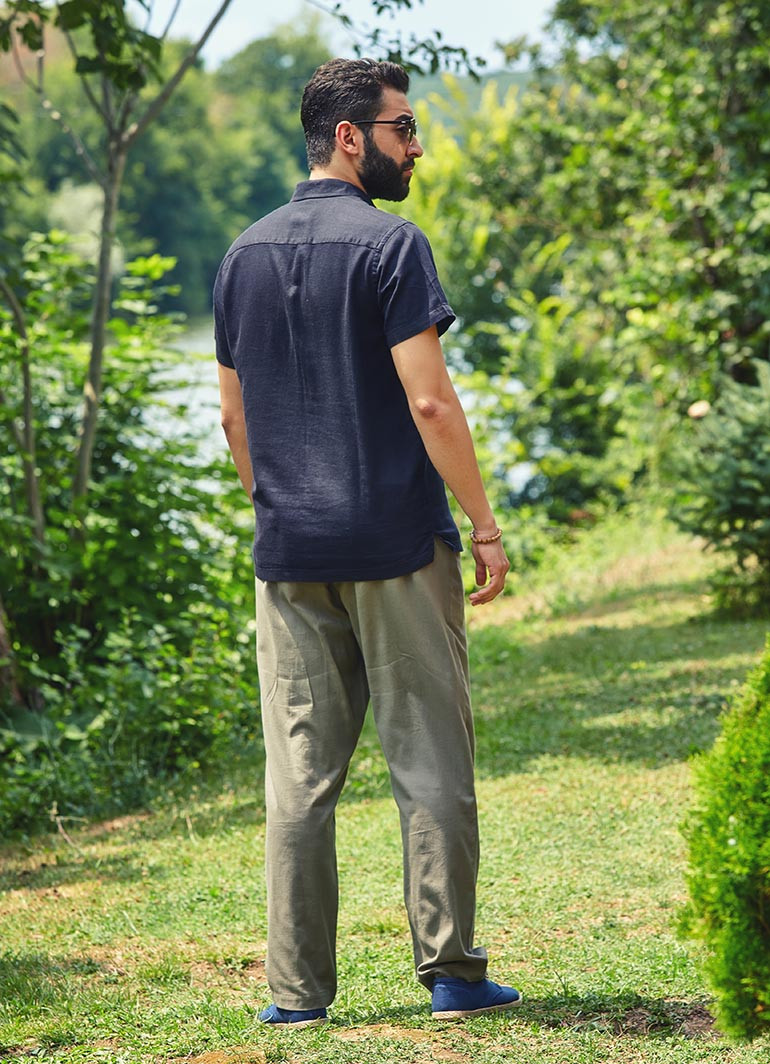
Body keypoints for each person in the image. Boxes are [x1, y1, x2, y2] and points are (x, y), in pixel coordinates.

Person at [214, 57, 521, 1028]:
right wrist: (483, 523)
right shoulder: (391, 246)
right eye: (403, 128)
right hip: (396, 545)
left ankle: (296, 996)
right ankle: (451, 974)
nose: (416, 147)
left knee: (299, 782)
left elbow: (234, 421)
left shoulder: (241, 256)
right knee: (428, 762)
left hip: (290, 556)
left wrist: (279, 505)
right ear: (349, 137)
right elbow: (430, 401)